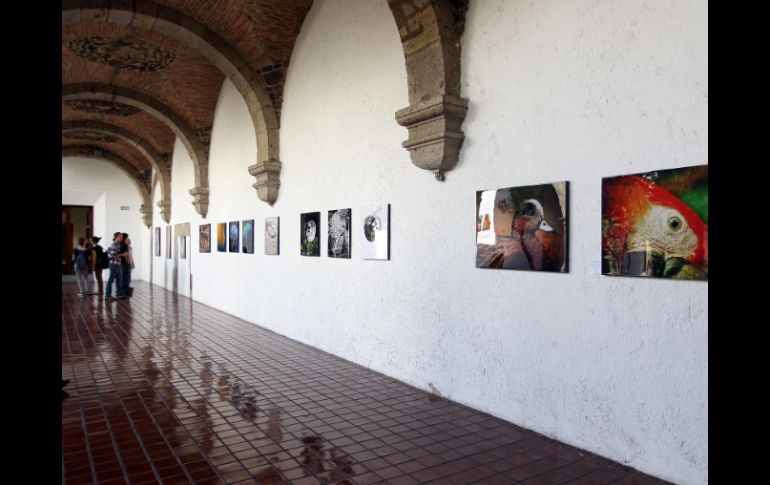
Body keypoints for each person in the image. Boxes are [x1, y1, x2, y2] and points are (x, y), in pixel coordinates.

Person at [104, 232, 128, 301]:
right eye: (120, 237)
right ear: (116, 237)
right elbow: (111, 256)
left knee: (119, 280)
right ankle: (107, 296)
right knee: (110, 280)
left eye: (122, 237)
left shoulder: (117, 245)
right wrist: (122, 255)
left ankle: (119, 294)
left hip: (117, 264)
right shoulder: (114, 245)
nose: (121, 238)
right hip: (114, 265)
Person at [121, 233, 134, 297]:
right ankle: (124, 292)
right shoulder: (123, 246)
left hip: (128, 264)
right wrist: (128, 262)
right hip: (125, 264)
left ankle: (126, 291)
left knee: (128, 279)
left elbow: (131, 256)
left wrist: (132, 263)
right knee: (124, 278)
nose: (129, 241)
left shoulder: (130, 248)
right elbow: (126, 256)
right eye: (127, 239)